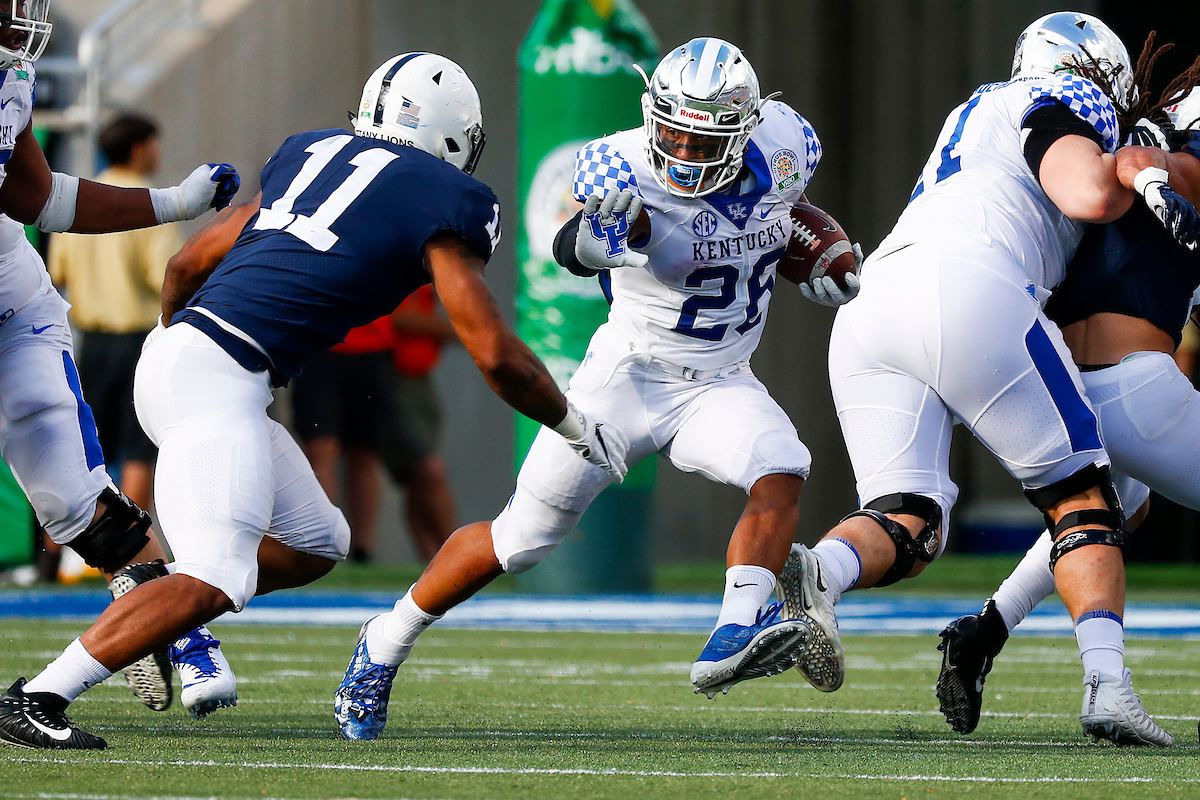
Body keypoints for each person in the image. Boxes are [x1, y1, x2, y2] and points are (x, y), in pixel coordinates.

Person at [0, 51, 622, 751]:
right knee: (219, 575)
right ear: (452, 138)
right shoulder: (449, 200)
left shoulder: (312, 151)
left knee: (319, 542)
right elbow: (493, 352)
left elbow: (184, 266)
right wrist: (571, 422)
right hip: (219, 375)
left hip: (187, 356)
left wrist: (182, 351)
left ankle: (153, 601)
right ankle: (37, 696)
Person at [334, 36, 862, 742]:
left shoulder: (788, 145)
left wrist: (822, 255)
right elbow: (572, 248)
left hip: (719, 380)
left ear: (743, 130)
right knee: (520, 539)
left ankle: (736, 631)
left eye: (702, 139)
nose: (682, 150)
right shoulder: (622, 167)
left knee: (782, 467)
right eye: (671, 130)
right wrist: (597, 240)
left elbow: (783, 216)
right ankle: (384, 641)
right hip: (629, 375)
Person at [776, 12, 1200, 748]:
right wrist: (1150, 171)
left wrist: (1147, 170)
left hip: (878, 295)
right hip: (980, 297)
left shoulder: (976, 116)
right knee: (1086, 501)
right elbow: (1102, 188)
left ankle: (830, 572)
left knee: (911, 520)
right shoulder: (1064, 105)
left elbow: (1129, 172)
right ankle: (1108, 687)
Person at [936, 74, 1200, 739]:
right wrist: (1156, 182)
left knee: (1114, 509)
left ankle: (985, 628)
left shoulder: (1087, 175)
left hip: (1057, 387)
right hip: (1134, 388)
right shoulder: (1161, 165)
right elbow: (1149, 164)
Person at [0, 3, 240, 719]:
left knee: (86, 506)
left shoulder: (9, 79)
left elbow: (37, 195)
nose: (20, 20)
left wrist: (171, 202)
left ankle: (184, 637)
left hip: (15, 309)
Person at [49, 113, 181, 512]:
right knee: (141, 445)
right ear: (139, 147)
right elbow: (164, 276)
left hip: (92, 343)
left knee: (83, 449)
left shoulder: (82, 198)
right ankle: (132, 547)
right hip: (140, 342)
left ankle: (53, 557)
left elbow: (59, 271)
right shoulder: (147, 202)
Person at [290, 317, 396, 563]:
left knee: (365, 452)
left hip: (373, 346)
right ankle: (322, 544)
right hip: (318, 343)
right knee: (321, 448)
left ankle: (361, 550)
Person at [379, 285, 460, 561]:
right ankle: (453, 554)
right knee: (428, 469)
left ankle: (433, 561)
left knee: (417, 478)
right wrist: (464, 329)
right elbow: (398, 318)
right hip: (390, 376)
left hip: (418, 375)